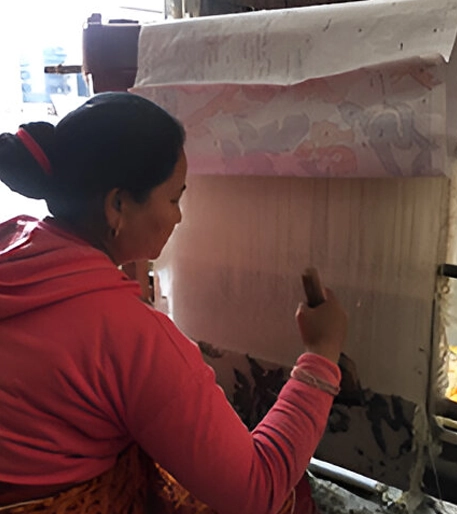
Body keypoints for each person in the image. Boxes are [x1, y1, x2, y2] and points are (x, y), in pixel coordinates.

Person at [0, 92, 347, 514]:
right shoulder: (132, 339)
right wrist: (321, 354)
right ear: (118, 205)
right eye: (173, 198)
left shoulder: (11, 245)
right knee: (293, 497)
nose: (179, 217)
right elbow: (257, 491)